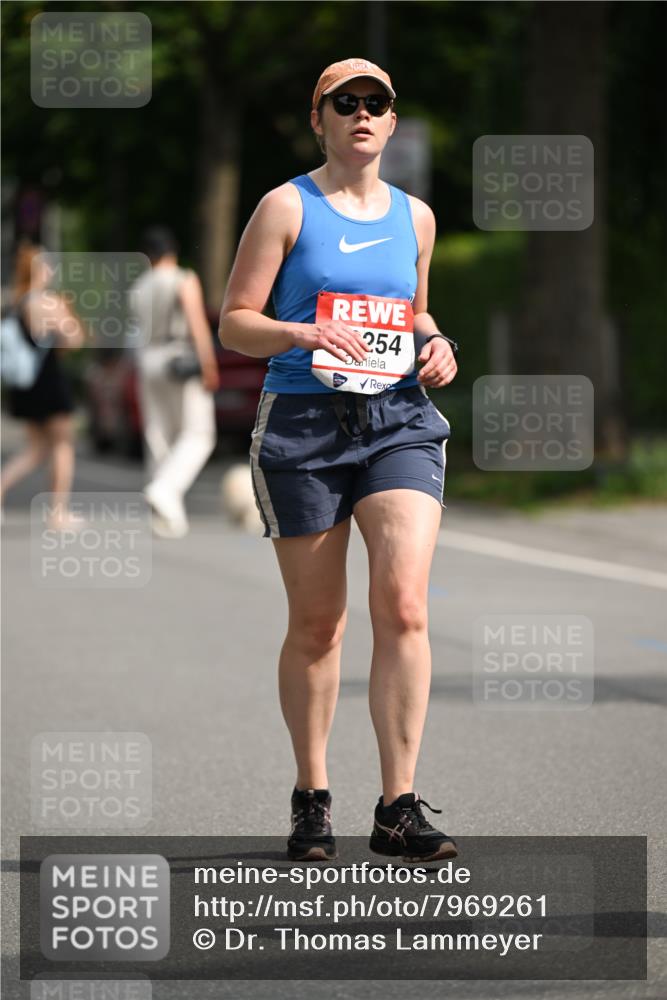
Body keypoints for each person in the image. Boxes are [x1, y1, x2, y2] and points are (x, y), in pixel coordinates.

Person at [219, 58, 459, 863]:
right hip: (304, 427)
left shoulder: (416, 217)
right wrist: (301, 333)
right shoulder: (286, 206)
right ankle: (312, 794)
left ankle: (397, 806)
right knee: (320, 626)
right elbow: (234, 323)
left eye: (375, 103)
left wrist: (435, 344)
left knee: (405, 605)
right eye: (343, 103)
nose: (360, 114)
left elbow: (417, 309)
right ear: (318, 119)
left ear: (391, 123)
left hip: (396, 421)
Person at [129, 227, 220, 538]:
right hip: (177, 357)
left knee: (158, 433)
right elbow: (196, 322)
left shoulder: (138, 286)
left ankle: (168, 515)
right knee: (199, 432)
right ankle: (165, 489)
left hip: (147, 358)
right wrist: (209, 364)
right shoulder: (183, 278)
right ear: (173, 251)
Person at [1, 242, 86, 529]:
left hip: (26, 383)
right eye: (48, 265)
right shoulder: (46, 301)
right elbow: (74, 338)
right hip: (48, 382)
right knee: (63, 445)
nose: (52, 270)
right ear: (40, 269)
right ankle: (57, 513)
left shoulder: (19, 301)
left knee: (36, 449)